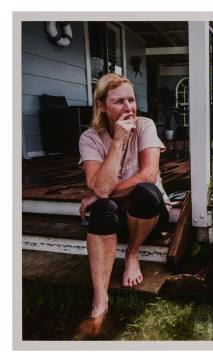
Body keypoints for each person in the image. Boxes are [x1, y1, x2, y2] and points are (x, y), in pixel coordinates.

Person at [76, 73, 170, 338]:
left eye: (131, 100)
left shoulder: (145, 125)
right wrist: (117, 141)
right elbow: (101, 188)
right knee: (103, 209)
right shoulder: (90, 139)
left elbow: (149, 175)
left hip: (148, 215)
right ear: (102, 106)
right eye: (119, 101)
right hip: (115, 217)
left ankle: (132, 255)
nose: (128, 107)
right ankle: (100, 299)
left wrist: (99, 193)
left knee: (144, 192)